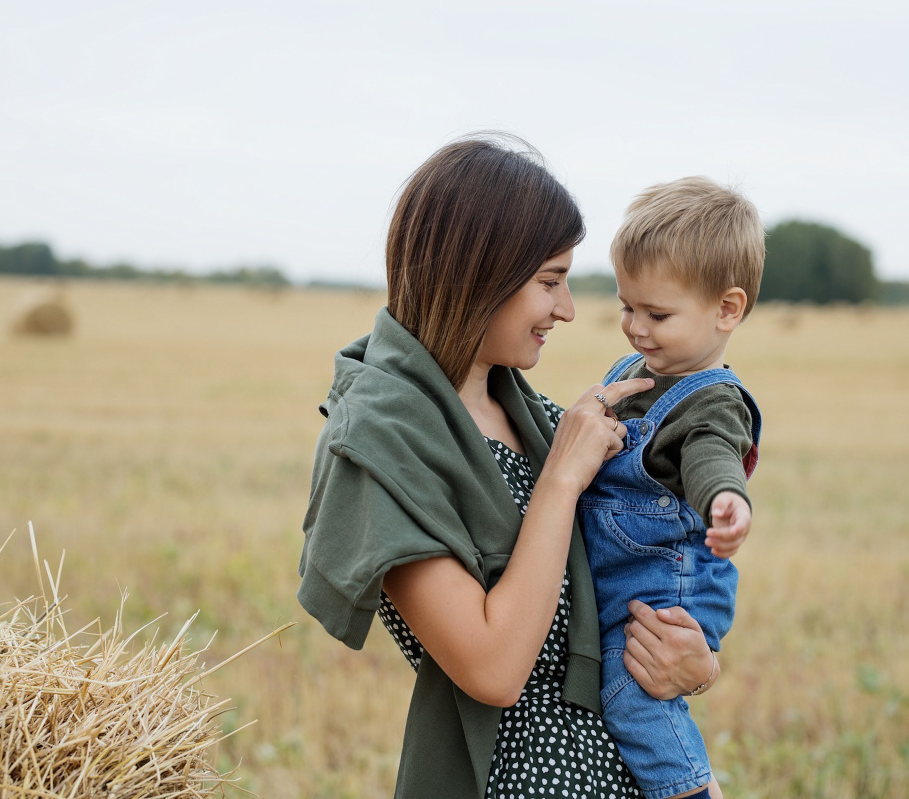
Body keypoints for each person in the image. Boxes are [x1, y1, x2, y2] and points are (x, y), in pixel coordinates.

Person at [298, 136, 720, 799]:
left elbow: (644, 575)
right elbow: (493, 668)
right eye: (549, 281)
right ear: (478, 274)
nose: (568, 309)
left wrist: (695, 664)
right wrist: (561, 478)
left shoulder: (537, 418)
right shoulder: (378, 448)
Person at [577, 176, 765, 799]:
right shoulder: (636, 371)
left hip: (668, 591)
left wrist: (725, 500)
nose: (635, 328)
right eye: (627, 307)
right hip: (627, 580)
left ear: (727, 310)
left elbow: (714, 457)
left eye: (657, 314)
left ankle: (692, 791)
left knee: (633, 696)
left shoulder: (710, 402)